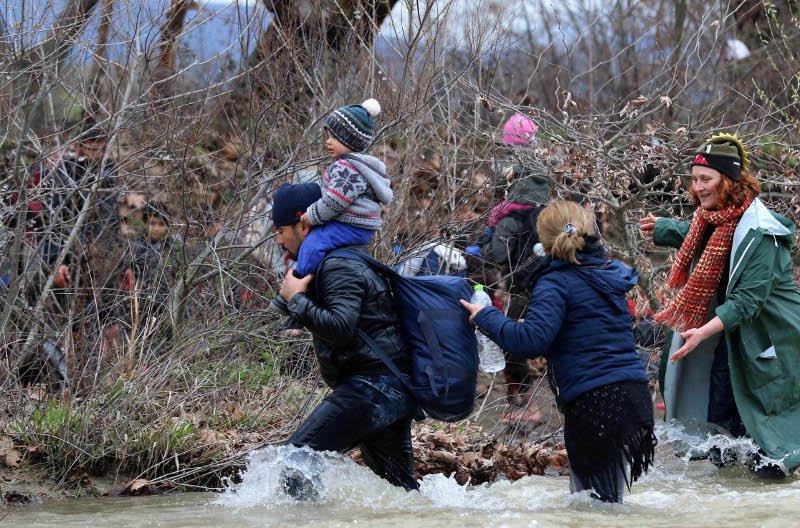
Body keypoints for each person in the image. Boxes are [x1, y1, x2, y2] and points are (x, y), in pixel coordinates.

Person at [462, 200, 655, 503]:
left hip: (596, 403)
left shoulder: (555, 282)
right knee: (607, 504)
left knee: (590, 507)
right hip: (633, 396)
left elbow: (530, 342)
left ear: (543, 239)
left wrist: (485, 316)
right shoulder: (606, 273)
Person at [639, 133, 800, 476]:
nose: (698, 188)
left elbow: (747, 301)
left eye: (706, 179)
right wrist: (665, 228)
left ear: (727, 181)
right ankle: (727, 502)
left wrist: (700, 333)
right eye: (694, 179)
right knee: (720, 432)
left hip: (773, 339)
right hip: (731, 339)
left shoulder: (762, 233)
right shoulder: (714, 218)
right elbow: (705, 235)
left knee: (771, 445)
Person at [271, 182, 419, 499]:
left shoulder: (339, 264)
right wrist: (292, 297)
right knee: (404, 495)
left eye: (280, 229)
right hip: (387, 386)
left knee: (296, 458)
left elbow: (340, 326)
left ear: (303, 224)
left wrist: (297, 300)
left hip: (374, 387)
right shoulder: (333, 259)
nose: (278, 238)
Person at [270, 98, 391, 320]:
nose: (328, 142)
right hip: (357, 226)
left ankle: (295, 284)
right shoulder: (354, 166)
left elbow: (335, 201)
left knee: (314, 245)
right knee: (318, 245)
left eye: (334, 137)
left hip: (353, 225)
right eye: (328, 135)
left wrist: (311, 216)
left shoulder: (348, 168)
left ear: (351, 139)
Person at [479, 113, 551, 425]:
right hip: (550, 280)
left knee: (513, 342)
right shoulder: (547, 212)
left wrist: (483, 249)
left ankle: (523, 406)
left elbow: (496, 253)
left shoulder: (508, 217)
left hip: (522, 285)